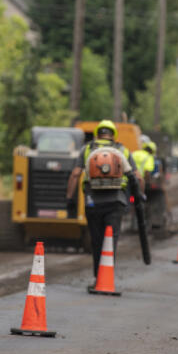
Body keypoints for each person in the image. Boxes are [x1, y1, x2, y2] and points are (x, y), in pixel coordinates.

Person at [66, 120, 142, 281]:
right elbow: (138, 177)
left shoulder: (87, 149)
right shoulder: (123, 150)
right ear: (113, 134)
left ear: (97, 134)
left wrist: (70, 198)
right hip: (116, 201)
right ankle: (106, 278)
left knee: (96, 240)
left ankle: (97, 277)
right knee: (111, 240)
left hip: (92, 201)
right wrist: (139, 196)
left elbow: (75, 174)